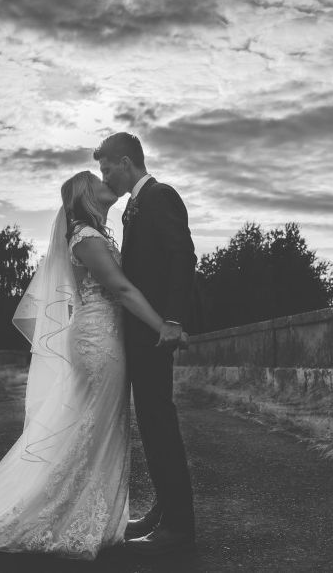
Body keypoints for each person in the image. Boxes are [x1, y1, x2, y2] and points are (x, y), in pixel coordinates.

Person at [0, 169, 187, 560]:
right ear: (87, 195)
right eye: (100, 182)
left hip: (104, 336)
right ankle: (60, 513)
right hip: (98, 339)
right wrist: (163, 325)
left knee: (98, 425)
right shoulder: (86, 238)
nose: (107, 184)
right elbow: (120, 289)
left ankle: (90, 512)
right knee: (96, 426)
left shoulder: (97, 234)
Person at [95, 131, 196, 555]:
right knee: (153, 426)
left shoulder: (160, 197)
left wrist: (172, 320)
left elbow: (182, 257)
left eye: (106, 169)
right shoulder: (134, 208)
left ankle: (178, 527)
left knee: (160, 425)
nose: (105, 179)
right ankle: (165, 511)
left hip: (155, 335)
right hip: (141, 335)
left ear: (125, 162)